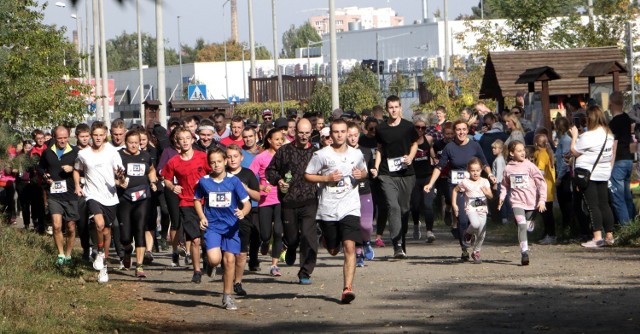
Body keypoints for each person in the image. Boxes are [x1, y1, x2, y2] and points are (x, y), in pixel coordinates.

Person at [304, 119, 367, 304]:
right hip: (328, 208)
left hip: (350, 206)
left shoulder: (356, 154)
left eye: (342, 131)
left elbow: (363, 171)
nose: (339, 135)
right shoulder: (322, 155)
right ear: (330, 134)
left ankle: (347, 288)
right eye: (336, 132)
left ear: (348, 133)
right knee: (333, 250)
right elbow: (308, 175)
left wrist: (360, 175)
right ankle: (328, 240)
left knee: (350, 246)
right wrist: (326, 178)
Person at [424, 120, 496, 261]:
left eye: (464, 129)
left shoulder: (474, 145)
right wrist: (430, 183)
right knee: (462, 219)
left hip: (474, 187)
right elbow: (439, 166)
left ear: (468, 130)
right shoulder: (450, 147)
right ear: (455, 131)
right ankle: (464, 249)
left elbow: (484, 162)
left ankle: (475, 247)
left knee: (476, 222)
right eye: (458, 129)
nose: (461, 132)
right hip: (457, 187)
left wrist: (490, 174)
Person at [194, 148, 251, 311]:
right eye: (212, 162)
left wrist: (243, 212)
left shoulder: (233, 181)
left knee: (230, 260)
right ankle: (209, 264)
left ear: (225, 161)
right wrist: (202, 217)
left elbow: (246, 202)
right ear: (209, 164)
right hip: (213, 226)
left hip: (231, 227)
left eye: (219, 161)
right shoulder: (204, 181)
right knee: (214, 259)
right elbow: (197, 200)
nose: (216, 165)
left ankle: (227, 296)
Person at [266, 119, 319, 284]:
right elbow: (270, 170)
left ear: (312, 133)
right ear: (295, 132)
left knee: (309, 238)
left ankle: (305, 271)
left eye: (307, 133)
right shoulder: (284, 151)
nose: (304, 136)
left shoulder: (317, 153)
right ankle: (289, 246)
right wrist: (279, 180)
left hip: (310, 200)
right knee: (293, 237)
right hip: (289, 202)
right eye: (301, 133)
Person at [74, 121, 125, 283]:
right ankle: (98, 252)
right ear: (91, 136)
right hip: (92, 194)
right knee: (99, 224)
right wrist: (77, 185)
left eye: (101, 135)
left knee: (107, 231)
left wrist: (121, 176)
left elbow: (121, 176)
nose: (97, 138)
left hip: (110, 196)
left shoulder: (112, 152)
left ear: (105, 136)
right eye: (95, 135)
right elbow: (76, 169)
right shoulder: (84, 154)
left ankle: (103, 263)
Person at [161, 127, 212, 283]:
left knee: (206, 239)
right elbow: (166, 179)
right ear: (177, 142)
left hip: (205, 202)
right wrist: (172, 187)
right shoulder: (173, 162)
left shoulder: (202, 157)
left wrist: (206, 182)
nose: (184, 141)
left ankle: (208, 261)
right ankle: (196, 271)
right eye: (181, 139)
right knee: (194, 239)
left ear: (192, 140)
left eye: (187, 138)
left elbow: (214, 173)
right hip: (186, 202)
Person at [372, 95, 418, 259]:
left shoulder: (408, 126)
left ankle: (401, 239)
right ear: (387, 109)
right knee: (393, 206)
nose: (393, 110)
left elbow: (415, 144)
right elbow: (379, 149)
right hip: (387, 173)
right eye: (390, 107)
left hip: (406, 173)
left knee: (404, 210)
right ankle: (397, 244)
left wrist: (411, 157)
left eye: (396, 107)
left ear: (400, 108)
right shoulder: (381, 129)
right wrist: (376, 167)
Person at [569, 105, 615, 248]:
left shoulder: (588, 136)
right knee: (604, 204)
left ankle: (597, 237)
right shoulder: (609, 134)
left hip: (589, 175)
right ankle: (609, 235)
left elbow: (574, 151)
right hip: (604, 172)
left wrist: (575, 136)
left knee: (592, 206)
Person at [116, 130, 157, 278]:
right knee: (125, 236)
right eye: (130, 142)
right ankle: (127, 249)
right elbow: (110, 175)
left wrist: (153, 181)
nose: (133, 146)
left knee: (140, 228)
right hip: (125, 198)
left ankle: (139, 266)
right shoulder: (119, 156)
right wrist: (119, 182)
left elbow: (151, 170)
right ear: (125, 142)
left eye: (136, 143)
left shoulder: (145, 156)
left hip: (142, 197)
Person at [498, 140, 547, 265]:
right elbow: (504, 185)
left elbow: (541, 183)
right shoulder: (508, 168)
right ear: (511, 153)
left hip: (531, 202)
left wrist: (542, 200)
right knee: (521, 225)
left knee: (527, 226)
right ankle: (524, 252)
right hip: (516, 202)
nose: (523, 153)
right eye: (519, 151)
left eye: (523, 150)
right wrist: (502, 198)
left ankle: (531, 221)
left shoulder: (529, 166)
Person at [38, 125, 80, 266]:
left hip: (70, 194)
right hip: (54, 194)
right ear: (54, 138)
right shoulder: (48, 152)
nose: (62, 140)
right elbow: (40, 167)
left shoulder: (75, 151)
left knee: (71, 227)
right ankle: (60, 254)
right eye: (60, 138)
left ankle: (68, 254)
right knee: (56, 226)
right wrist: (45, 176)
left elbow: (85, 169)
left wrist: (73, 168)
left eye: (65, 137)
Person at [224, 145, 260, 293]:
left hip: (244, 217)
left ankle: (237, 282)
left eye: (235, 156)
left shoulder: (248, 174)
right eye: (229, 157)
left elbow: (258, 196)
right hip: (224, 218)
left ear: (241, 158)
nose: (232, 159)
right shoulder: (221, 174)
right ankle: (226, 276)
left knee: (241, 253)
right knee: (226, 254)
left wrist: (247, 190)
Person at [249, 128, 285, 277]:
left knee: (278, 232)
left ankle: (274, 265)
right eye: (276, 139)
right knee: (265, 234)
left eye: (281, 139)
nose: (280, 142)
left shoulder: (285, 156)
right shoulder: (261, 157)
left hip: (281, 199)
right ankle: (264, 242)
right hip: (264, 200)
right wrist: (261, 187)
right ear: (269, 140)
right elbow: (250, 177)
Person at [452, 158, 492, 264]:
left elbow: (491, 196)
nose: (475, 173)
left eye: (477, 170)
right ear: (468, 171)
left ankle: (476, 252)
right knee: (475, 224)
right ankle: (467, 234)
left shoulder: (485, 181)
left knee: (482, 233)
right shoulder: (465, 182)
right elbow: (455, 190)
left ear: (481, 170)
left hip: (482, 210)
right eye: (473, 170)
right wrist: (454, 204)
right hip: (471, 209)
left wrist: (486, 193)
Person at [346, 122, 375, 267]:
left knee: (366, 226)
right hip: (348, 194)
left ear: (360, 134)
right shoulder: (341, 152)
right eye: (349, 135)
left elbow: (372, 168)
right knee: (354, 226)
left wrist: (374, 171)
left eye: (355, 135)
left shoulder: (367, 151)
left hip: (364, 191)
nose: (352, 139)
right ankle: (358, 253)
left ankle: (367, 242)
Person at [608, 91, 636, 226]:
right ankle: (632, 225)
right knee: (627, 196)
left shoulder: (614, 122)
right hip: (628, 159)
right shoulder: (626, 118)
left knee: (618, 198)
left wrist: (610, 165)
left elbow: (614, 144)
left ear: (611, 103)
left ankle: (625, 227)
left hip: (618, 160)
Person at [410, 113, 437, 243]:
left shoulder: (429, 139)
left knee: (428, 205)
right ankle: (416, 225)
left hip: (427, 176)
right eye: (417, 127)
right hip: (414, 177)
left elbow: (431, 152)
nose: (420, 130)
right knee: (415, 206)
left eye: (423, 128)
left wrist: (435, 159)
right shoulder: (410, 141)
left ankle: (429, 231)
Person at [534, 134, 556, 245]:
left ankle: (551, 235)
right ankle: (547, 233)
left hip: (544, 188)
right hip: (549, 187)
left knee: (546, 214)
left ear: (536, 143)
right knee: (547, 213)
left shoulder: (542, 154)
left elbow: (540, 171)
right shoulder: (547, 152)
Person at [554, 117, 574, 238]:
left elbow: (565, 160)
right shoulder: (562, 140)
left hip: (565, 175)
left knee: (566, 203)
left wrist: (560, 177)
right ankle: (566, 227)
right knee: (563, 203)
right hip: (561, 173)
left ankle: (569, 228)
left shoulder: (565, 140)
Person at [491, 139, 509, 225]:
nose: (493, 150)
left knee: (501, 200)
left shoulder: (498, 160)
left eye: (495, 148)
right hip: (503, 183)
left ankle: (504, 218)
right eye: (493, 148)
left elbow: (498, 173)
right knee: (504, 200)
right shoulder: (501, 159)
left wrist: (495, 183)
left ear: (501, 149)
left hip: (499, 183)